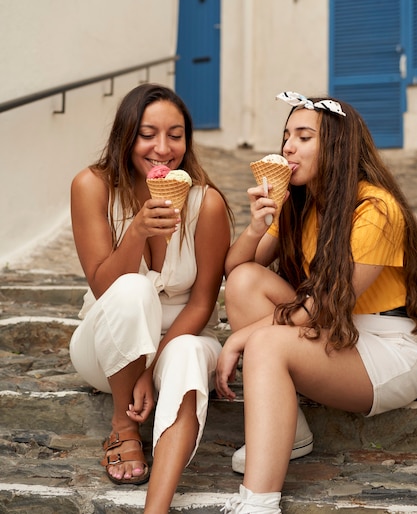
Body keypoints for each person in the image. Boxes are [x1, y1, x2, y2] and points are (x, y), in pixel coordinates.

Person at [216, 92, 417, 514]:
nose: (287, 146)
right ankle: (293, 434)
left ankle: (259, 504)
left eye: (303, 137)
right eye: (287, 135)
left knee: (267, 343)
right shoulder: (300, 204)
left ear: (339, 146)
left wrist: (242, 339)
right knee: (245, 282)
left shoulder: (376, 208)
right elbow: (235, 270)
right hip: (338, 334)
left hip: (389, 347)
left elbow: (327, 305)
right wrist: (257, 226)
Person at [69, 83, 232, 514]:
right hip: (104, 350)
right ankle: (123, 426)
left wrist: (150, 366)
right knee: (133, 286)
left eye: (176, 135)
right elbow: (105, 287)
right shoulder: (92, 186)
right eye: (148, 134)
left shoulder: (206, 204)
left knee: (187, 353)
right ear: (126, 135)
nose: (163, 148)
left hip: (177, 339)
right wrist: (137, 231)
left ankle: (155, 507)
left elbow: (201, 304)